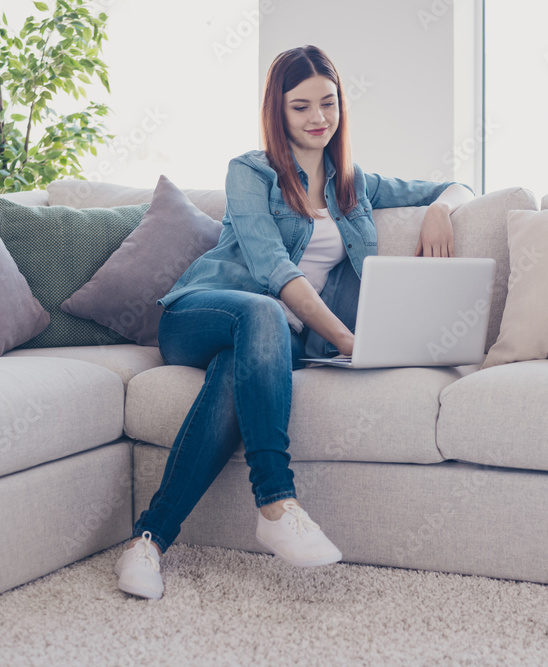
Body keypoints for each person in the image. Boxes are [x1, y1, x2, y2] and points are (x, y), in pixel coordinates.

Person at [114, 45, 475, 599]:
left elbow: (455, 185)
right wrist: (346, 339)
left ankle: (148, 542)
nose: (318, 119)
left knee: (246, 363)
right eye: (301, 107)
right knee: (262, 309)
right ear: (278, 113)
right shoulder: (249, 172)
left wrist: (440, 210)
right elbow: (272, 269)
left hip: (269, 339)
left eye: (328, 103)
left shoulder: (355, 184)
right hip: (202, 312)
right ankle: (277, 502)